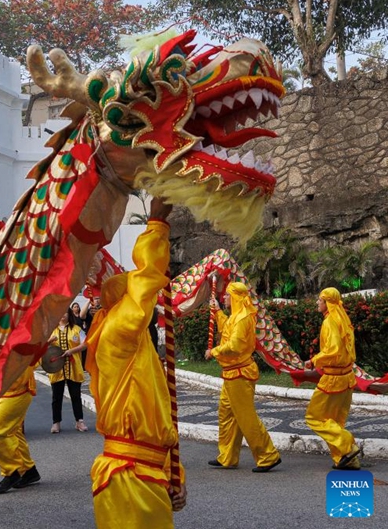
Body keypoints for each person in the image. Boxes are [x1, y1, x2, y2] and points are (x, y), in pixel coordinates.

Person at [84, 198, 186, 529]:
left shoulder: (139, 348)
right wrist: (156, 223)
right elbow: (146, 282)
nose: (148, 301)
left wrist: (176, 475)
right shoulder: (116, 334)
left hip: (146, 475)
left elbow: (158, 425)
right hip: (126, 477)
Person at [204, 283, 281, 472]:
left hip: (239, 374)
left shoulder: (243, 318)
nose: (225, 298)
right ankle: (227, 456)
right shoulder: (236, 317)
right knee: (227, 414)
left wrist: (213, 351)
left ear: (236, 298)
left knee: (246, 417)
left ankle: (267, 455)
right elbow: (226, 328)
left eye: (228, 296)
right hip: (231, 373)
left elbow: (235, 346)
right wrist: (218, 312)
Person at [304, 287, 361, 470]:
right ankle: (347, 459)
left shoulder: (329, 321)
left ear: (327, 302)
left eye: (320, 300)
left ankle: (348, 444)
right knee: (335, 422)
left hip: (333, 378)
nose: (317, 303)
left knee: (314, 417)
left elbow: (334, 349)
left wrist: (314, 360)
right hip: (346, 377)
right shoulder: (343, 318)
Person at [0, 358, 40, 493]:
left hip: (17, 392)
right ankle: (29, 471)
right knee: (14, 432)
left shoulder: (23, 339)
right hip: (5, 391)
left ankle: (11, 471)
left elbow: (34, 357)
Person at [47, 310, 88, 433]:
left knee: (76, 395)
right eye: (60, 312)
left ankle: (79, 421)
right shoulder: (51, 330)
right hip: (56, 368)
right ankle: (56, 423)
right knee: (56, 397)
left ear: (69, 315)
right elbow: (41, 346)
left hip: (73, 367)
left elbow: (86, 344)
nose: (62, 315)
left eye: (65, 312)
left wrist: (72, 350)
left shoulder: (76, 329)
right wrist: (48, 341)